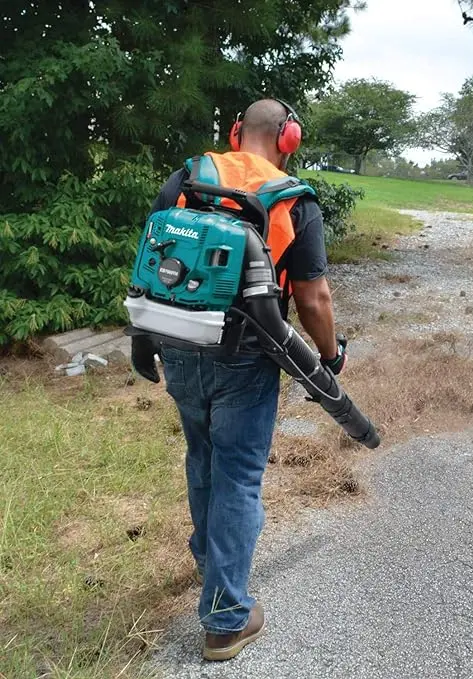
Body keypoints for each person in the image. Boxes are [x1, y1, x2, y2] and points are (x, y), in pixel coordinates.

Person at [133, 99, 347, 661]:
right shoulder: (293, 199)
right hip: (248, 358)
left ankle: (210, 559)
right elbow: (313, 297)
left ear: (234, 132)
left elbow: (150, 263)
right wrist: (329, 357)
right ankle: (226, 618)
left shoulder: (186, 178)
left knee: (202, 454)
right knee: (239, 477)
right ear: (289, 138)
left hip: (178, 346)